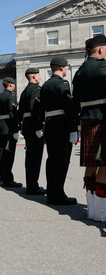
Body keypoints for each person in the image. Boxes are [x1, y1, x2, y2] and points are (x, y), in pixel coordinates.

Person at [73, 34, 106, 221]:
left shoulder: (79, 72)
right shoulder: (103, 67)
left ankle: (92, 210)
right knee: (105, 165)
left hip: (86, 119)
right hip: (102, 118)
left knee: (92, 164)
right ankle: (102, 213)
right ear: (101, 49)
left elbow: (75, 99)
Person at [40, 57, 78, 205]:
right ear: (62, 67)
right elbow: (68, 107)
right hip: (61, 126)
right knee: (62, 161)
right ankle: (58, 195)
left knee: (52, 160)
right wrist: (73, 129)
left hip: (49, 125)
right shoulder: (62, 83)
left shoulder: (45, 84)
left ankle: (52, 192)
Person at [18, 68, 46, 195]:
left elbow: (20, 112)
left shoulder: (25, 91)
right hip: (34, 127)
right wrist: (39, 126)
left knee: (30, 158)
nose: (40, 78)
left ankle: (31, 185)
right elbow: (35, 109)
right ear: (34, 76)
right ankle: (33, 186)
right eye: (39, 75)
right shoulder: (35, 89)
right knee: (35, 158)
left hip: (27, 126)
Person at [0, 77, 22, 188]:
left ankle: (4, 178)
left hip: (1, 127)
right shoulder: (11, 96)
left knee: (2, 154)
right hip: (9, 128)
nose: (14, 86)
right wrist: (16, 129)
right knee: (9, 155)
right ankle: (8, 179)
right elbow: (12, 113)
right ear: (10, 84)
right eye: (13, 84)